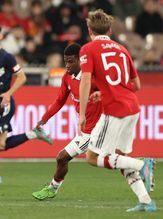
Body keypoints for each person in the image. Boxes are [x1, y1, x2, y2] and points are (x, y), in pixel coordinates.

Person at [78, 9, 156, 212]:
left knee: (92, 157)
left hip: (115, 111)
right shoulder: (122, 49)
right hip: (132, 107)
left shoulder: (88, 49)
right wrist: (105, 93)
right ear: (110, 30)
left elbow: (86, 80)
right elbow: (136, 84)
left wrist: (81, 114)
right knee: (121, 158)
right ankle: (145, 201)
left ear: (89, 30)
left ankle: (143, 165)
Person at [0, 23, 53, 184]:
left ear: (0, 36)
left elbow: (22, 77)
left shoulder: (6, 56)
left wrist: (8, 94)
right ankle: (33, 134)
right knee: (0, 145)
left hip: (4, 105)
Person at [32, 43, 102, 200]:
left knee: (62, 157)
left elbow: (110, 91)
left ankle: (52, 189)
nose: (67, 66)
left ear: (80, 60)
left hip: (94, 129)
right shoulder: (67, 77)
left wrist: (101, 94)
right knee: (108, 158)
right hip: (86, 128)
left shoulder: (92, 77)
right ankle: (138, 165)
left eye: (71, 61)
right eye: (65, 61)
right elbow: (59, 101)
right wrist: (44, 119)